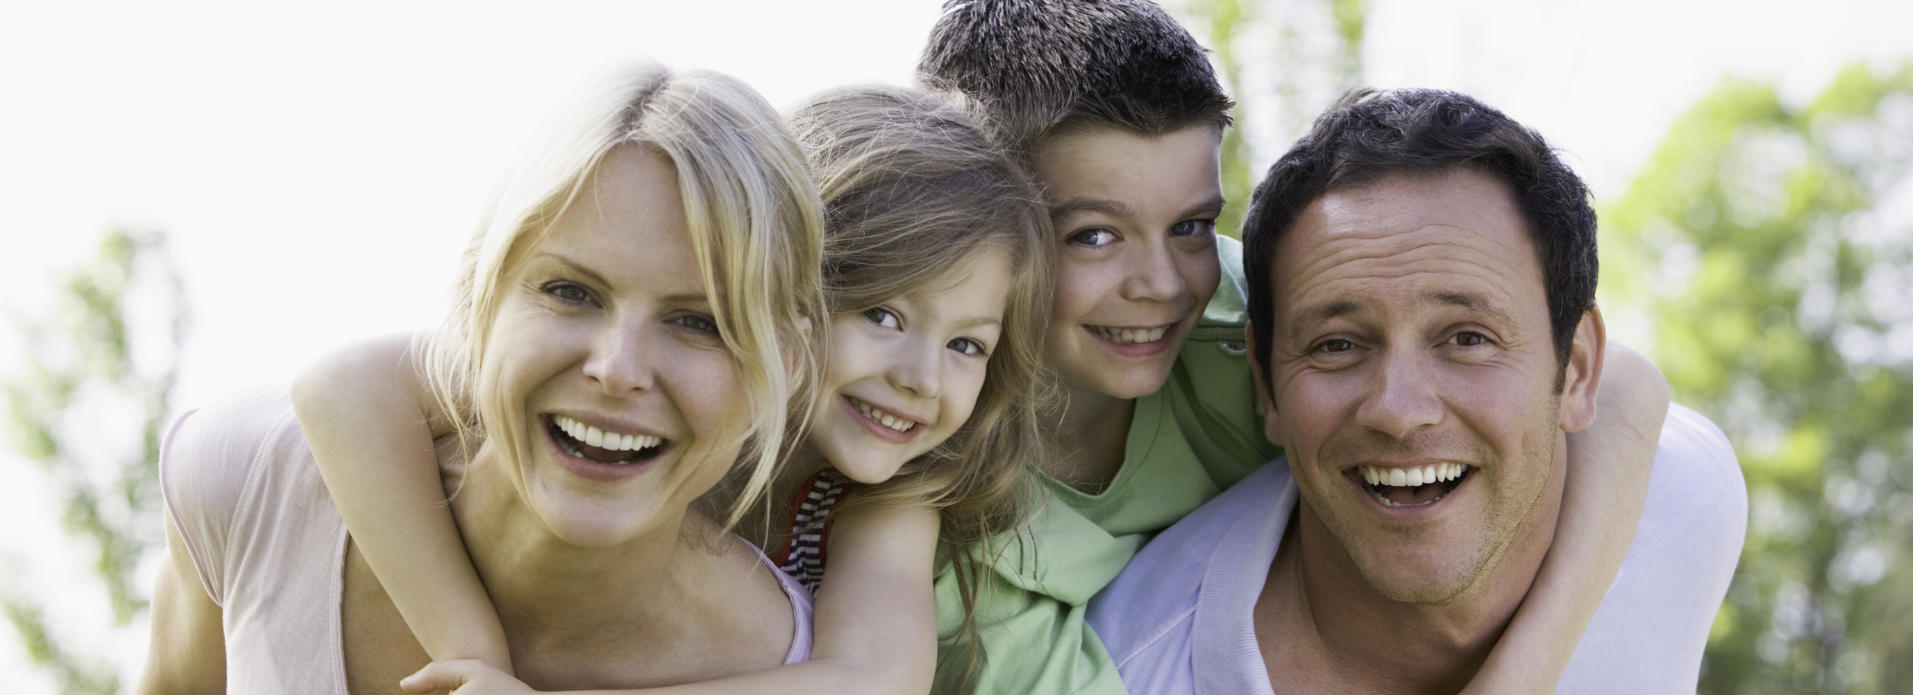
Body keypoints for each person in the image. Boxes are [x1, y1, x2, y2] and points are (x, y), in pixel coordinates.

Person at [916, 1, 1675, 692]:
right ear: (973, 223)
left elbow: (1619, 386)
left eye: (1189, 225)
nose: (1160, 284)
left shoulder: (1243, 316)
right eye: (1094, 234)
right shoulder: (932, 496)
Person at [280, 85, 1056, 694]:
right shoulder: (616, 378)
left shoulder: (884, 500)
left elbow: (872, 680)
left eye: (967, 344)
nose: (920, 376)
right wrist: (472, 650)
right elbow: (340, 385)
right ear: (771, 291)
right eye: (883, 314)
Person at [137, 62, 828, 693]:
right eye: (571, 291)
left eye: (699, 323)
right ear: (479, 301)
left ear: (786, 367)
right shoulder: (252, 482)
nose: (618, 370)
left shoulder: (791, 666)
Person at [1087, 88, 1748, 694]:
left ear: (1575, 369)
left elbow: (1635, 397)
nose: (1399, 412)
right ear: (1266, 384)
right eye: (1337, 344)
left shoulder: (1683, 500)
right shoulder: (1129, 670)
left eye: (1466, 338)